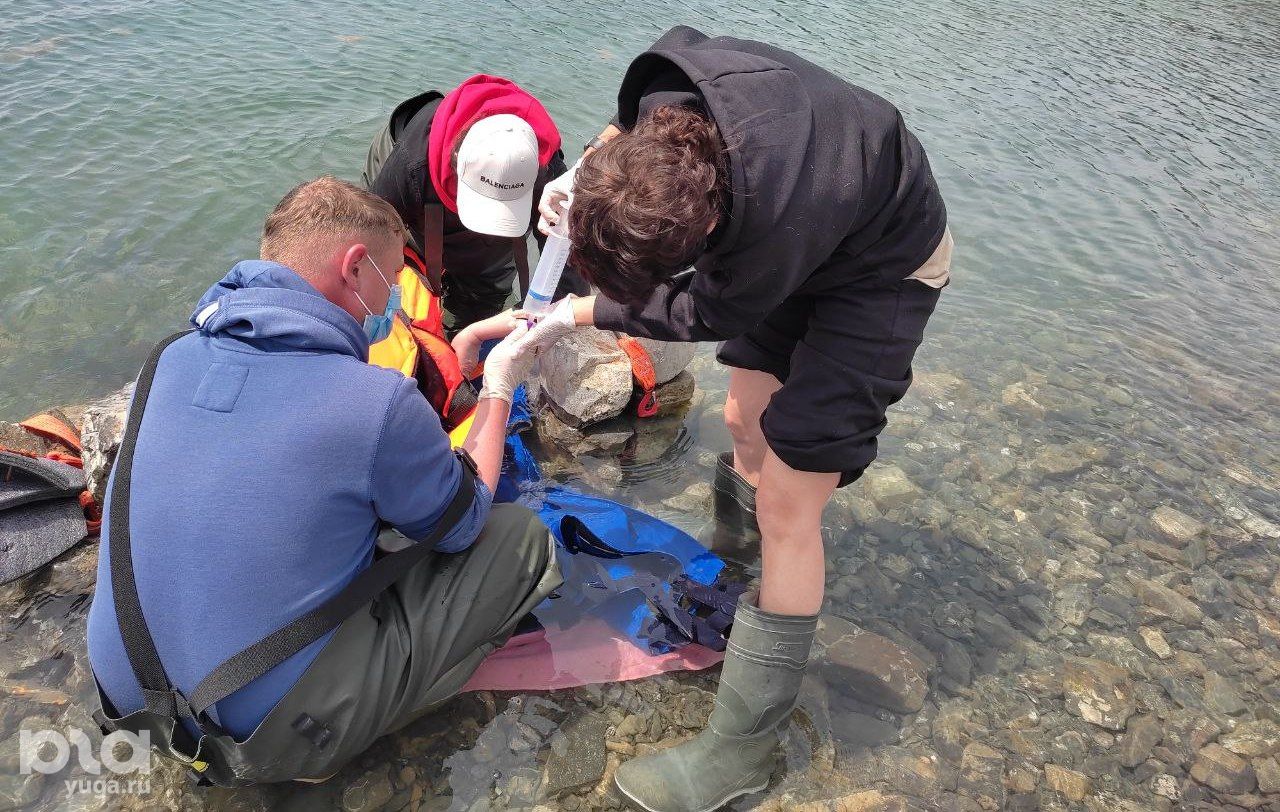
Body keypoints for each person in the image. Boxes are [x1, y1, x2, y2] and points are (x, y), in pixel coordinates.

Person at [531, 26, 953, 812]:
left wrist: (574, 314)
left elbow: (705, 310)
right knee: (743, 411)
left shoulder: (769, 229)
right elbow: (649, 90)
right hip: (816, 212)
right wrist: (584, 170)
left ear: (705, 236)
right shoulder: (664, 95)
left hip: (883, 260)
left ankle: (743, 750)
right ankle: (738, 572)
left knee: (792, 496)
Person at [86, 176, 560, 786]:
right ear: (355, 267)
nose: (395, 302)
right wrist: (498, 384)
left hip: (129, 703)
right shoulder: (374, 400)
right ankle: (319, 754)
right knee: (518, 538)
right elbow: (465, 522)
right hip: (258, 738)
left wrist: (461, 342)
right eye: (393, 280)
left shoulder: (168, 360)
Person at [362, 74, 589, 335]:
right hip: (412, 176)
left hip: (494, 190)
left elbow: (568, 260)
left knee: (485, 289)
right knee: (395, 263)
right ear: (456, 162)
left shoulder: (544, 171)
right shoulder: (411, 166)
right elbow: (368, 243)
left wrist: (543, 322)